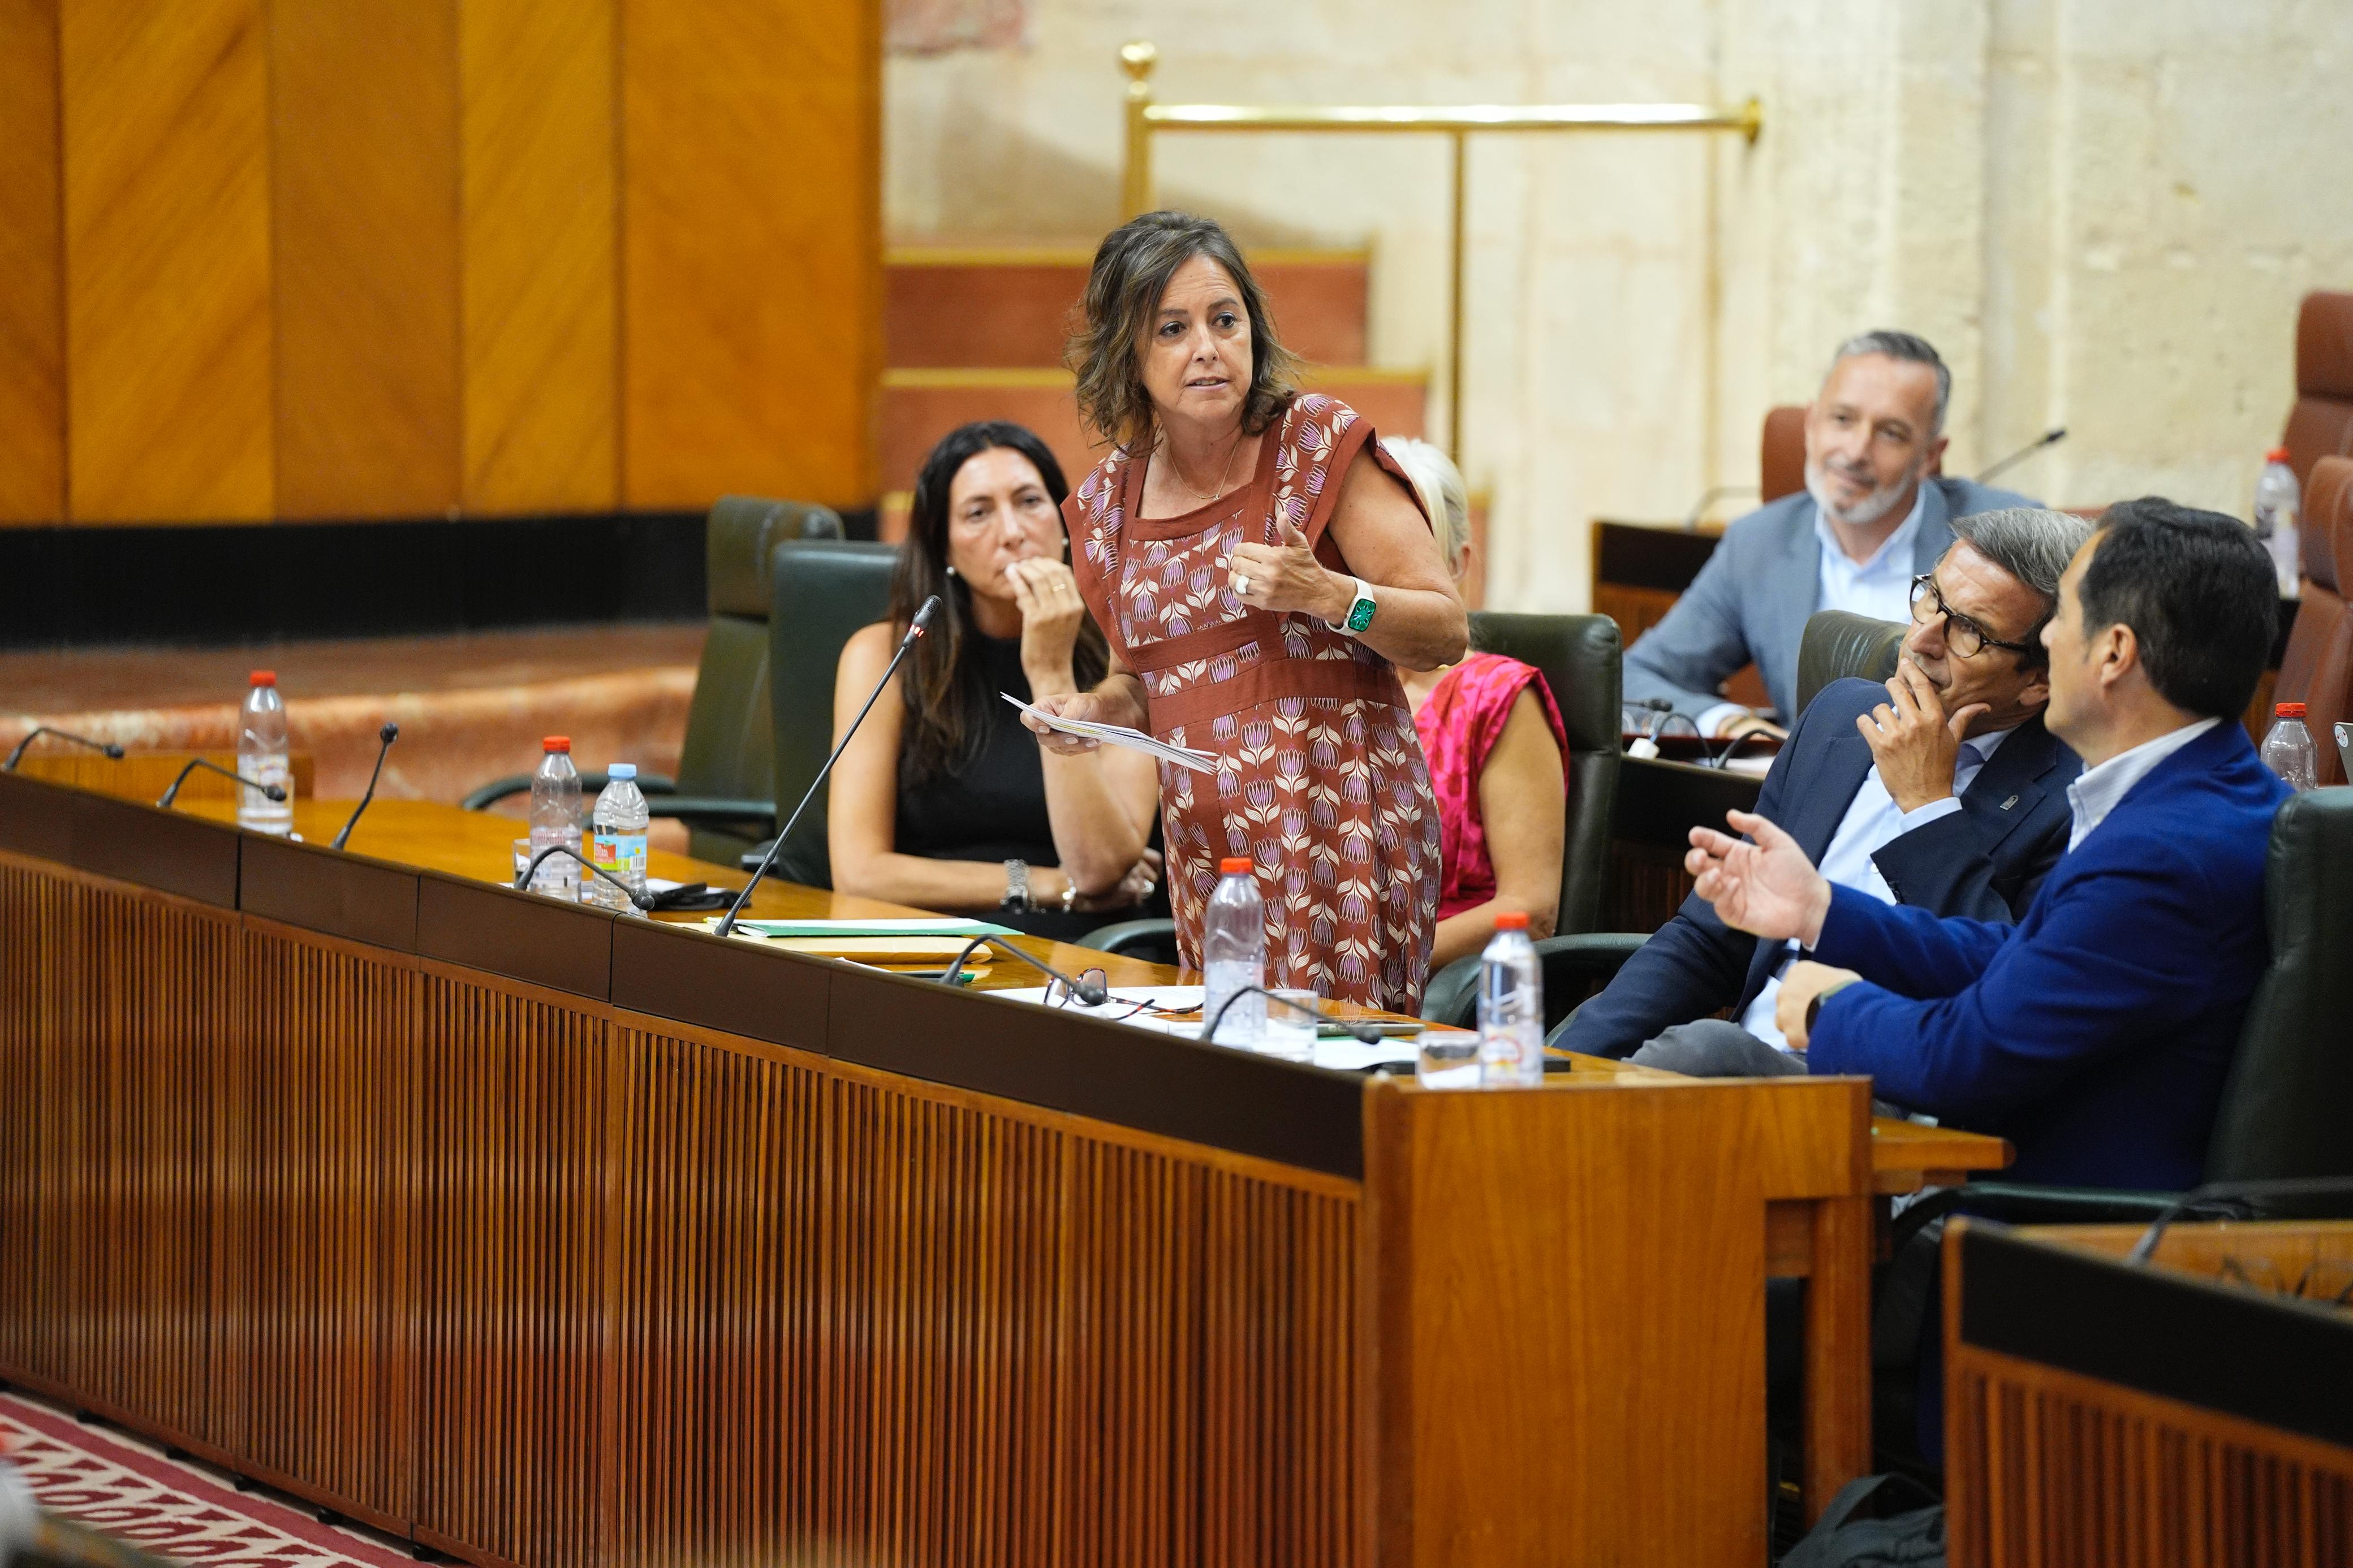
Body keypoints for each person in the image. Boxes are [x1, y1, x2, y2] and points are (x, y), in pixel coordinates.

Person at [1690, 498, 2290, 1191]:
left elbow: (1969, 1057)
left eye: (2061, 615)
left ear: (2114, 652)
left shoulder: (2164, 854)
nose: (2049, 643)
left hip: (2041, 1242)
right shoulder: (2205, 794)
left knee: (1695, 1113)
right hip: (2004, 1193)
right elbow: (2026, 960)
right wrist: (1823, 910)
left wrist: (1831, 1009)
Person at [1027, 211, 1468, 1010]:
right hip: (1212, 861)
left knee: (1330, 1089)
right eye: (1172, 328)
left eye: (1225, 321)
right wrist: (1088, 711)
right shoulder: (1108, 507)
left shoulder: (1314, 444)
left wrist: (1330, 596)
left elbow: (1445, 628)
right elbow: (1144, 681)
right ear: (1128, 355)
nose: (1207, 347)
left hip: (1341, 844)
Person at [1563, 507, 2093, 1069]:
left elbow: (2003, 989)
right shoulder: (1840, 717)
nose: (1920, 639)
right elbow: (1708, 940)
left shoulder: (2072, 802)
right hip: (1738, 1073)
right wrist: (1555, 1064)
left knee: (1701, 1051)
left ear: (2039, 680)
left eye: (1968, 631)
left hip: (1883, 1092)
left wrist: (1928, 807)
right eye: (1930, 598)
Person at [828, 421, 1163, 941]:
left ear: (1065, 520)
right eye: (978, 513)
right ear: (943, 545)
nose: (1011, 532)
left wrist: (1049, 670)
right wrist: (1046, 884)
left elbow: (1101, 866)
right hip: (932, 946)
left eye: (1030, 502)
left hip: (1083, 951)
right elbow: (858, 871)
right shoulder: (886, 654)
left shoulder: (1125, 655)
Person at [1624, 331, 2037, 738]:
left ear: (1929, 456)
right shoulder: (1758, 544)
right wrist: (1730, 724)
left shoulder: (2000, 542)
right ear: (1811, 424)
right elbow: (1634, 676)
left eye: (1890, 433)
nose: (1856, 451)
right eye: (1842, 419)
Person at [1384, 437, 1570, 971]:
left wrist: (1383, 964)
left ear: (1457, 563)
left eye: (1409, 546)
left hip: (1444, 992)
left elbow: (1531, 909)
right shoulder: (1330, 685)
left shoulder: (1499, 697)